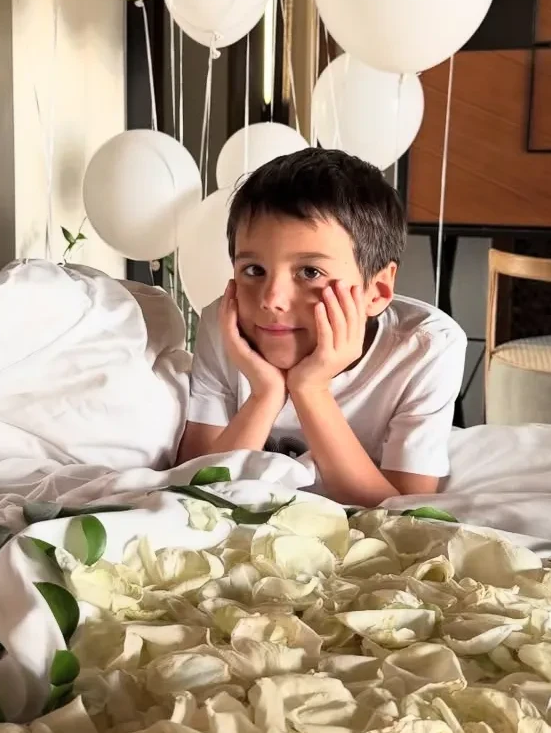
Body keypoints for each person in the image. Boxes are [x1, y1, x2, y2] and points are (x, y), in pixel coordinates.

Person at [178, 148, 466, 506]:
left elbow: (403, 509)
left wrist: (311, 389)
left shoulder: (425, 346)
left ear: (377, 291)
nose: (271, 299)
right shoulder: (227, 323)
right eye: (254, 270)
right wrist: (265, 394)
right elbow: (193, 487)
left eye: (310, 272)